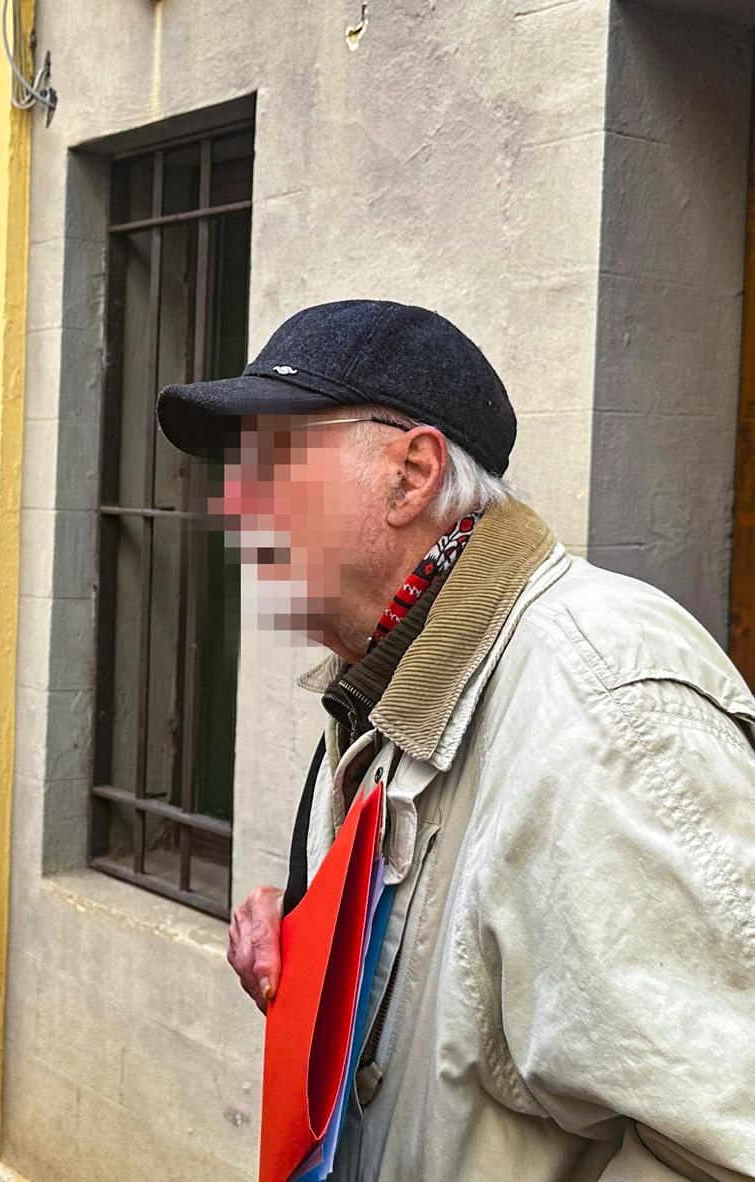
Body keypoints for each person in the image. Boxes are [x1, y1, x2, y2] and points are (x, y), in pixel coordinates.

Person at [157, 300, 755, 1181]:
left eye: (274, 461)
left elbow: (721, 1150)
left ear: (414, 474)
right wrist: (313, 960)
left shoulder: (607, 713)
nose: (234, 502)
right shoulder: (381, 673)